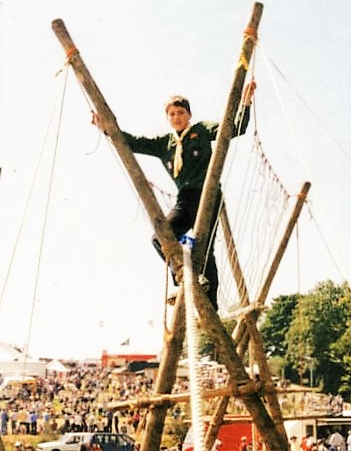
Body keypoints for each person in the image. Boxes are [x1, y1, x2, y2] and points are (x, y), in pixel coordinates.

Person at [93, 82, 256, 310]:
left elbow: (234, 127)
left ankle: (211, 305)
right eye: (172, 114)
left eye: (181, 113)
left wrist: (245, 102)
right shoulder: (165, 143)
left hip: (207, 195)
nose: (177, 117)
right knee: (161, 238)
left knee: (205, 249)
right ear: (167, 118)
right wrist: (106, 128)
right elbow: (133, 143)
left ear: (188, 114)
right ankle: (182, 275)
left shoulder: (201, 130)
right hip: (185, 199)